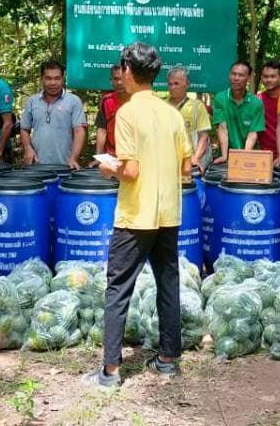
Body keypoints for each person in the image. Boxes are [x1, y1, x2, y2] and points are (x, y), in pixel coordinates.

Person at [89, 42, 192, 387]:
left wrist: (109, 169)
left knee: (118, 287)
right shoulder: (172, 114)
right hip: (169, 214)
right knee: (168, 281)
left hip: (136, 216)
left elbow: (130, 171)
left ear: (128, 72)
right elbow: (187, 168)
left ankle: (110, 371)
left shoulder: (129, 113)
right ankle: (167, 358)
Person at [20, 60, 87, 169]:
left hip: (65, 166)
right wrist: (28, 148)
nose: (53, 83)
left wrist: (74, 158)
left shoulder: (74, 101)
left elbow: (79, 131)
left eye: (57, 78)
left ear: (63, 78)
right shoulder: (32, 101)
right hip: (36, 166)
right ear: (42, 78)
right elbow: (24, 128)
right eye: (48, 78)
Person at [212, 61, 265, 164]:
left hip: (249, 155)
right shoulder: (220, 98)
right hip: (227, 155)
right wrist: (224, 155)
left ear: (248, 78)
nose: (236, 78)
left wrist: (244, 157)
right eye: (233, 74)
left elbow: (253, 133)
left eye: (240, 75)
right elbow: (222, 128)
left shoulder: (256, 103)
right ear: (229, 75)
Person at [166, 67, 212, 170]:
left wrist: (195, 159)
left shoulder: (197, 106)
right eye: (170, 84)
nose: (172, 87)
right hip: (169, 163)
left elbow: (203, 137)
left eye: (176, 83)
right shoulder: (162, 106)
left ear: (187, 84)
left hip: (191, 164)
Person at [94, 65, 129, 158]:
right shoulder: (107, 101)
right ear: (111, 81)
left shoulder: (138, 101)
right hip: (111, 157)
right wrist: (99, 156)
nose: (119, 82)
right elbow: (102, 129)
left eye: (123, 79)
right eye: (116, 79)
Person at [257, 60, 280, 159]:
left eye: (273, 76)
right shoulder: (257, 100)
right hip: (265, 154)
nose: (268, 80)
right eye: (265, 76)